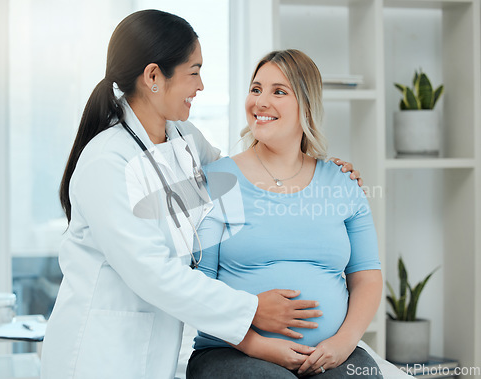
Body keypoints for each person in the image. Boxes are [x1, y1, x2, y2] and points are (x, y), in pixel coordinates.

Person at [40, 10, 363, 379]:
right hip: (99, 354)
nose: (201, 86)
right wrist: (250, 309)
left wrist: (319, 169)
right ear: (153, 77)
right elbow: (153, 272)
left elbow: (240, 174)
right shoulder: (107, 161)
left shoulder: (183, 136)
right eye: (194, 71)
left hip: (155, 347)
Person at [186, 50, 383, 379]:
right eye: (256, 89)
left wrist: (343, 344)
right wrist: (257, 345)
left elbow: (366, 276)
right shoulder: (217, 179)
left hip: (331, 353)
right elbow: (198, 286)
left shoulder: (342, 182)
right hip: (232, 349)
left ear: (306, 106)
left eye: (279, 91)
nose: (261, 102)